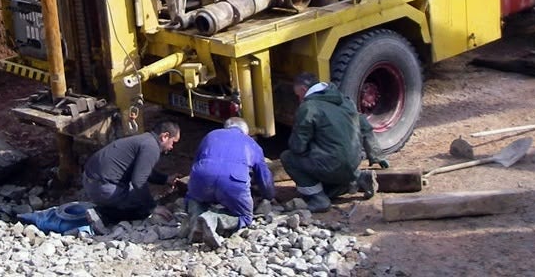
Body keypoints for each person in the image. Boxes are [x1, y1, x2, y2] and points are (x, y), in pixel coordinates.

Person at [279, 73, 385, 212]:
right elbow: (364, 125)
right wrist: (377, 155)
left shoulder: (309, 107)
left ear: (304, 90)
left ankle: (318, 198)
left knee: (288, 158)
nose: (299, 99)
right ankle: (357, 178)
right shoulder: (344, 100)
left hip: (332, 164)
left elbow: (298, 146)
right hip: (353, 162)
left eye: (298, 95)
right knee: (334, 163)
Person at [184, 117, 275, 248]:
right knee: (245, 217)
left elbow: (196, 162)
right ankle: (214, 219)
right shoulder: (251, 144)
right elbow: (264, 178)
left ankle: (196, 217)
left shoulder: (211, 135)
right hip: (233, 181)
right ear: (245, 132)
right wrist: (269, 196)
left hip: (202, 176)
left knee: (193, 199)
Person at [81, 121, 180, 233]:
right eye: (173, 142)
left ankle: (105, 207)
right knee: (142, 209)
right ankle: (102, 215)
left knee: (141, 197)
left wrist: (166, 179)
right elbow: (139, 180)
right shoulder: (152, 148)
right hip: (102, 186)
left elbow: (143, 171)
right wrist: (153, 207)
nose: (172, 147)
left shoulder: (145, 140)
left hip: (91, 180)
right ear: (165, 136)